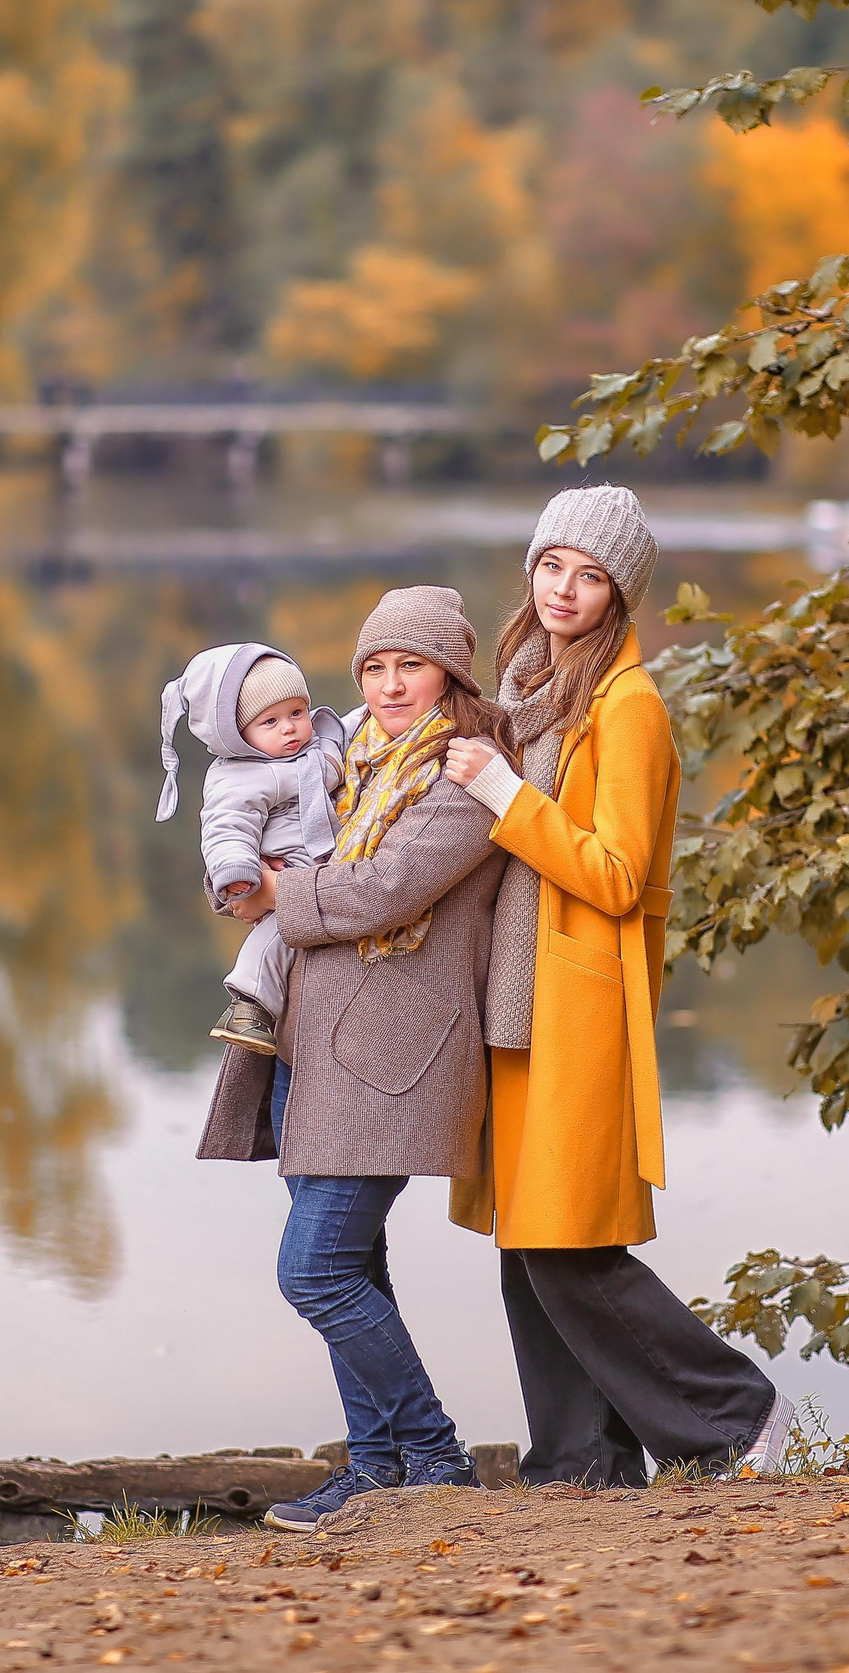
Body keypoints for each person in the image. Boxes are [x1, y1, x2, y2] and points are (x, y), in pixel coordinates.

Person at [444, 484, 805, 1489]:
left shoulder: (628, 706)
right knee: (529, 1236)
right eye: (552, 564)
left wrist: (503, 795)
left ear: (620, 594)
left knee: (567, 1238)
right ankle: (582, 1462)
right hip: (511, 1002)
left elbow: (616, 874)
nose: (564, 589)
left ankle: (733, 1411)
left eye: (590, 576)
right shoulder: (524, 684)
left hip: (576, 1002)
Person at [195, 586, 516, 1531]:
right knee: (355, 1263)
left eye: (409, 665)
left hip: (391, 1051)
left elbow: (383, 888)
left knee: (315, 1269)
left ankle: (437, 1458)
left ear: (449, 672)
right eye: (372, 667)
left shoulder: (464, 773)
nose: (387, 684)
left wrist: (280, 900)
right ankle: (377, 1466)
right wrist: (248, 871)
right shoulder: (351, 761)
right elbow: (270, 834)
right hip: (315, 1044)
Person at [155, 643, 349, 1053]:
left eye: (297, 713)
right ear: (237, 734)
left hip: (320, 865)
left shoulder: (314, 749)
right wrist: (239, 873)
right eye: (270, 721)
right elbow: (227, 825)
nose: (289, 729)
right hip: (289, 865)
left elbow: (340, 738)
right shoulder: (240, 776)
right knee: (281, 930)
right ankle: (249, 1003)